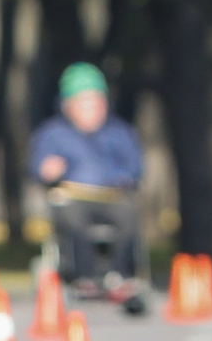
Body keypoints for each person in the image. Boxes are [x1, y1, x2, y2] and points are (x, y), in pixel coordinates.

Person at [29, 63, 146, 313]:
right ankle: (85, 277)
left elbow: (135, 167)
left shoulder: (119, 132)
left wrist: (125, 177)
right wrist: (48, 170)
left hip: (111, 196)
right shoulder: (53, 134)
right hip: (72, 196)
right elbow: (39, 167)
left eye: (96, 102)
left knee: (129, 215)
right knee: (72, 219)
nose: (92, 110)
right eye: (84, 103)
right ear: (67, 105)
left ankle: (120, 276)